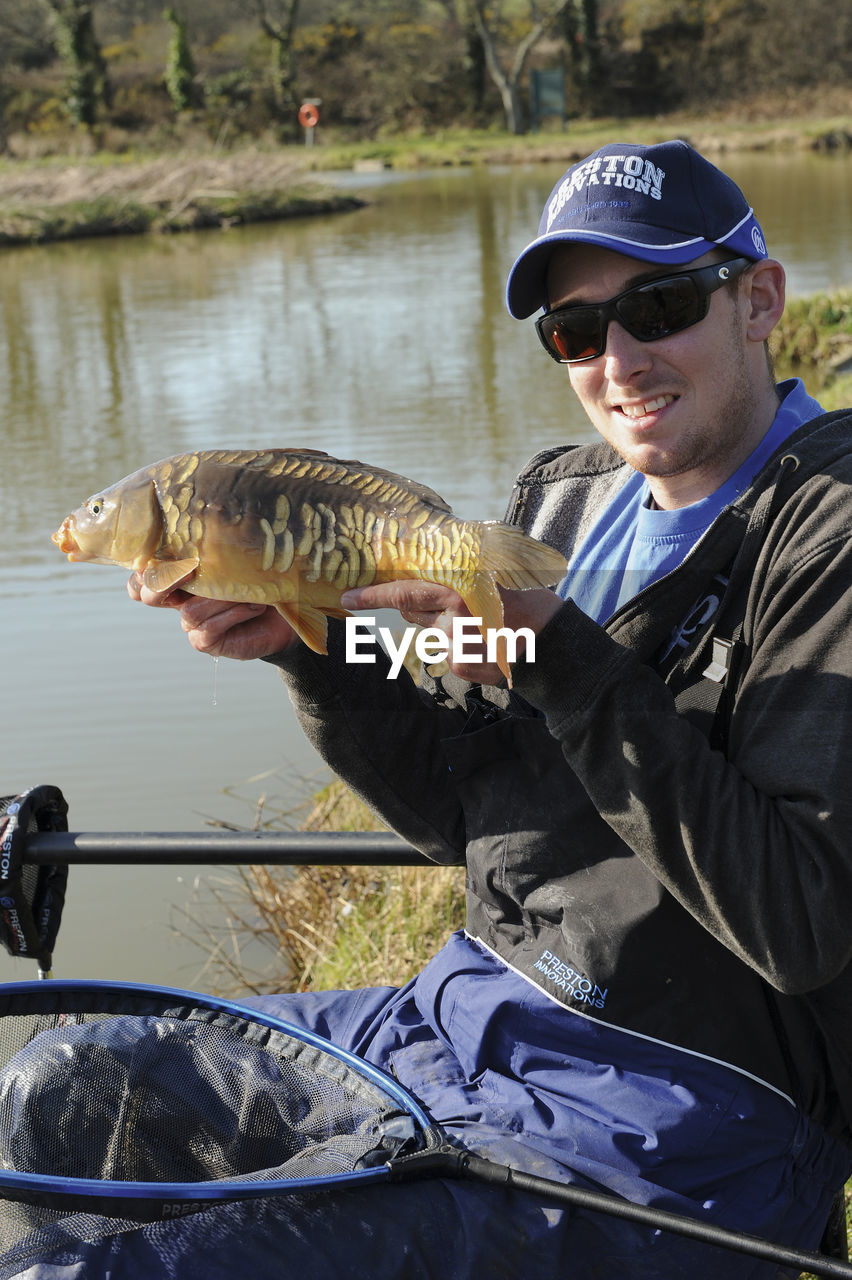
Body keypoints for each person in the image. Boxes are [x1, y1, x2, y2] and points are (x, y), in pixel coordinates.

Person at [27, 140, 852, 1279]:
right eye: (574, 330)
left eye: (657, 305)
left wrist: (553, 649)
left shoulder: (829, 529)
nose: (617, 359)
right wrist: (318, 652)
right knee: (64, 1089)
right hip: (461, 1016)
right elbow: (463, 816)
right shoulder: (558, 504)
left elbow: (805, 925)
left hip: (678, 1112)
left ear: (759, 300)